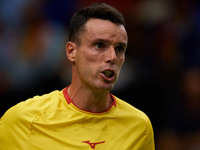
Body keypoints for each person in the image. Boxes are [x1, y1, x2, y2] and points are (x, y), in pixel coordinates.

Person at [0, 3, 155, 150]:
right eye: (99, 45)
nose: (112, 56)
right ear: (71, 52)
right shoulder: (22, 120)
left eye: (120, 48)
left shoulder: (140, 127)